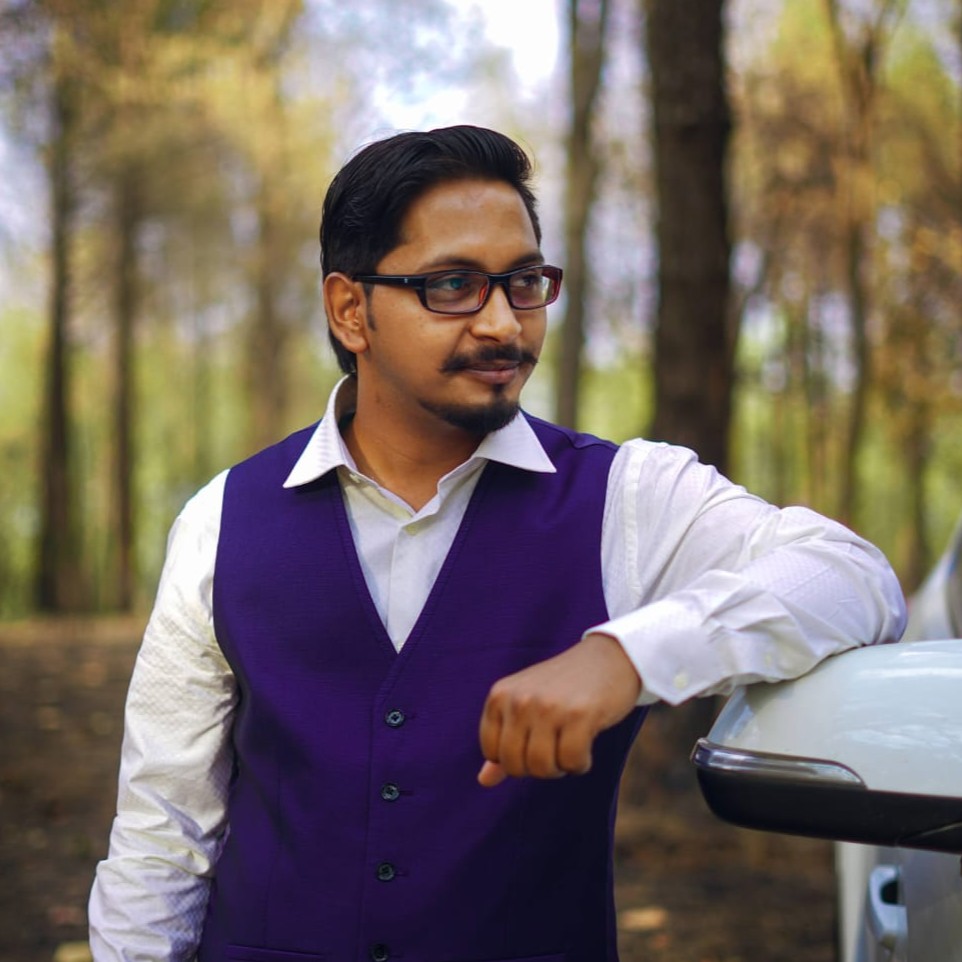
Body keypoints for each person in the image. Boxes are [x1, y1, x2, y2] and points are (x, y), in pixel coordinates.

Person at [89, 125, 906, 962]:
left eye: (523, 283)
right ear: (349, 310)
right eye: (452, 285)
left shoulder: (626, 497)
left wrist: (625, 656)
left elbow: (853, 577)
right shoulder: (223, 520)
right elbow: (162, 836)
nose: (501, 323)